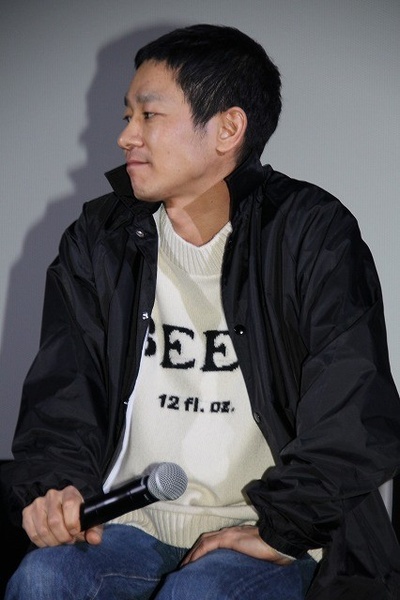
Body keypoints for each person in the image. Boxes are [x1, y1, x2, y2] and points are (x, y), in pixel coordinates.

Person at [3, 23, 400, 600]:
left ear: (227, 129)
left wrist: (282, 529)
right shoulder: (99, 238)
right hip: (129, 525)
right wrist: (56, 488)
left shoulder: (310, 233)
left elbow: (355, 405)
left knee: (202, 593)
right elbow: (65, 393)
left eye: (149, 115)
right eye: (127, 116)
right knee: (44, 579)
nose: (125, 137)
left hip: (269, 528)